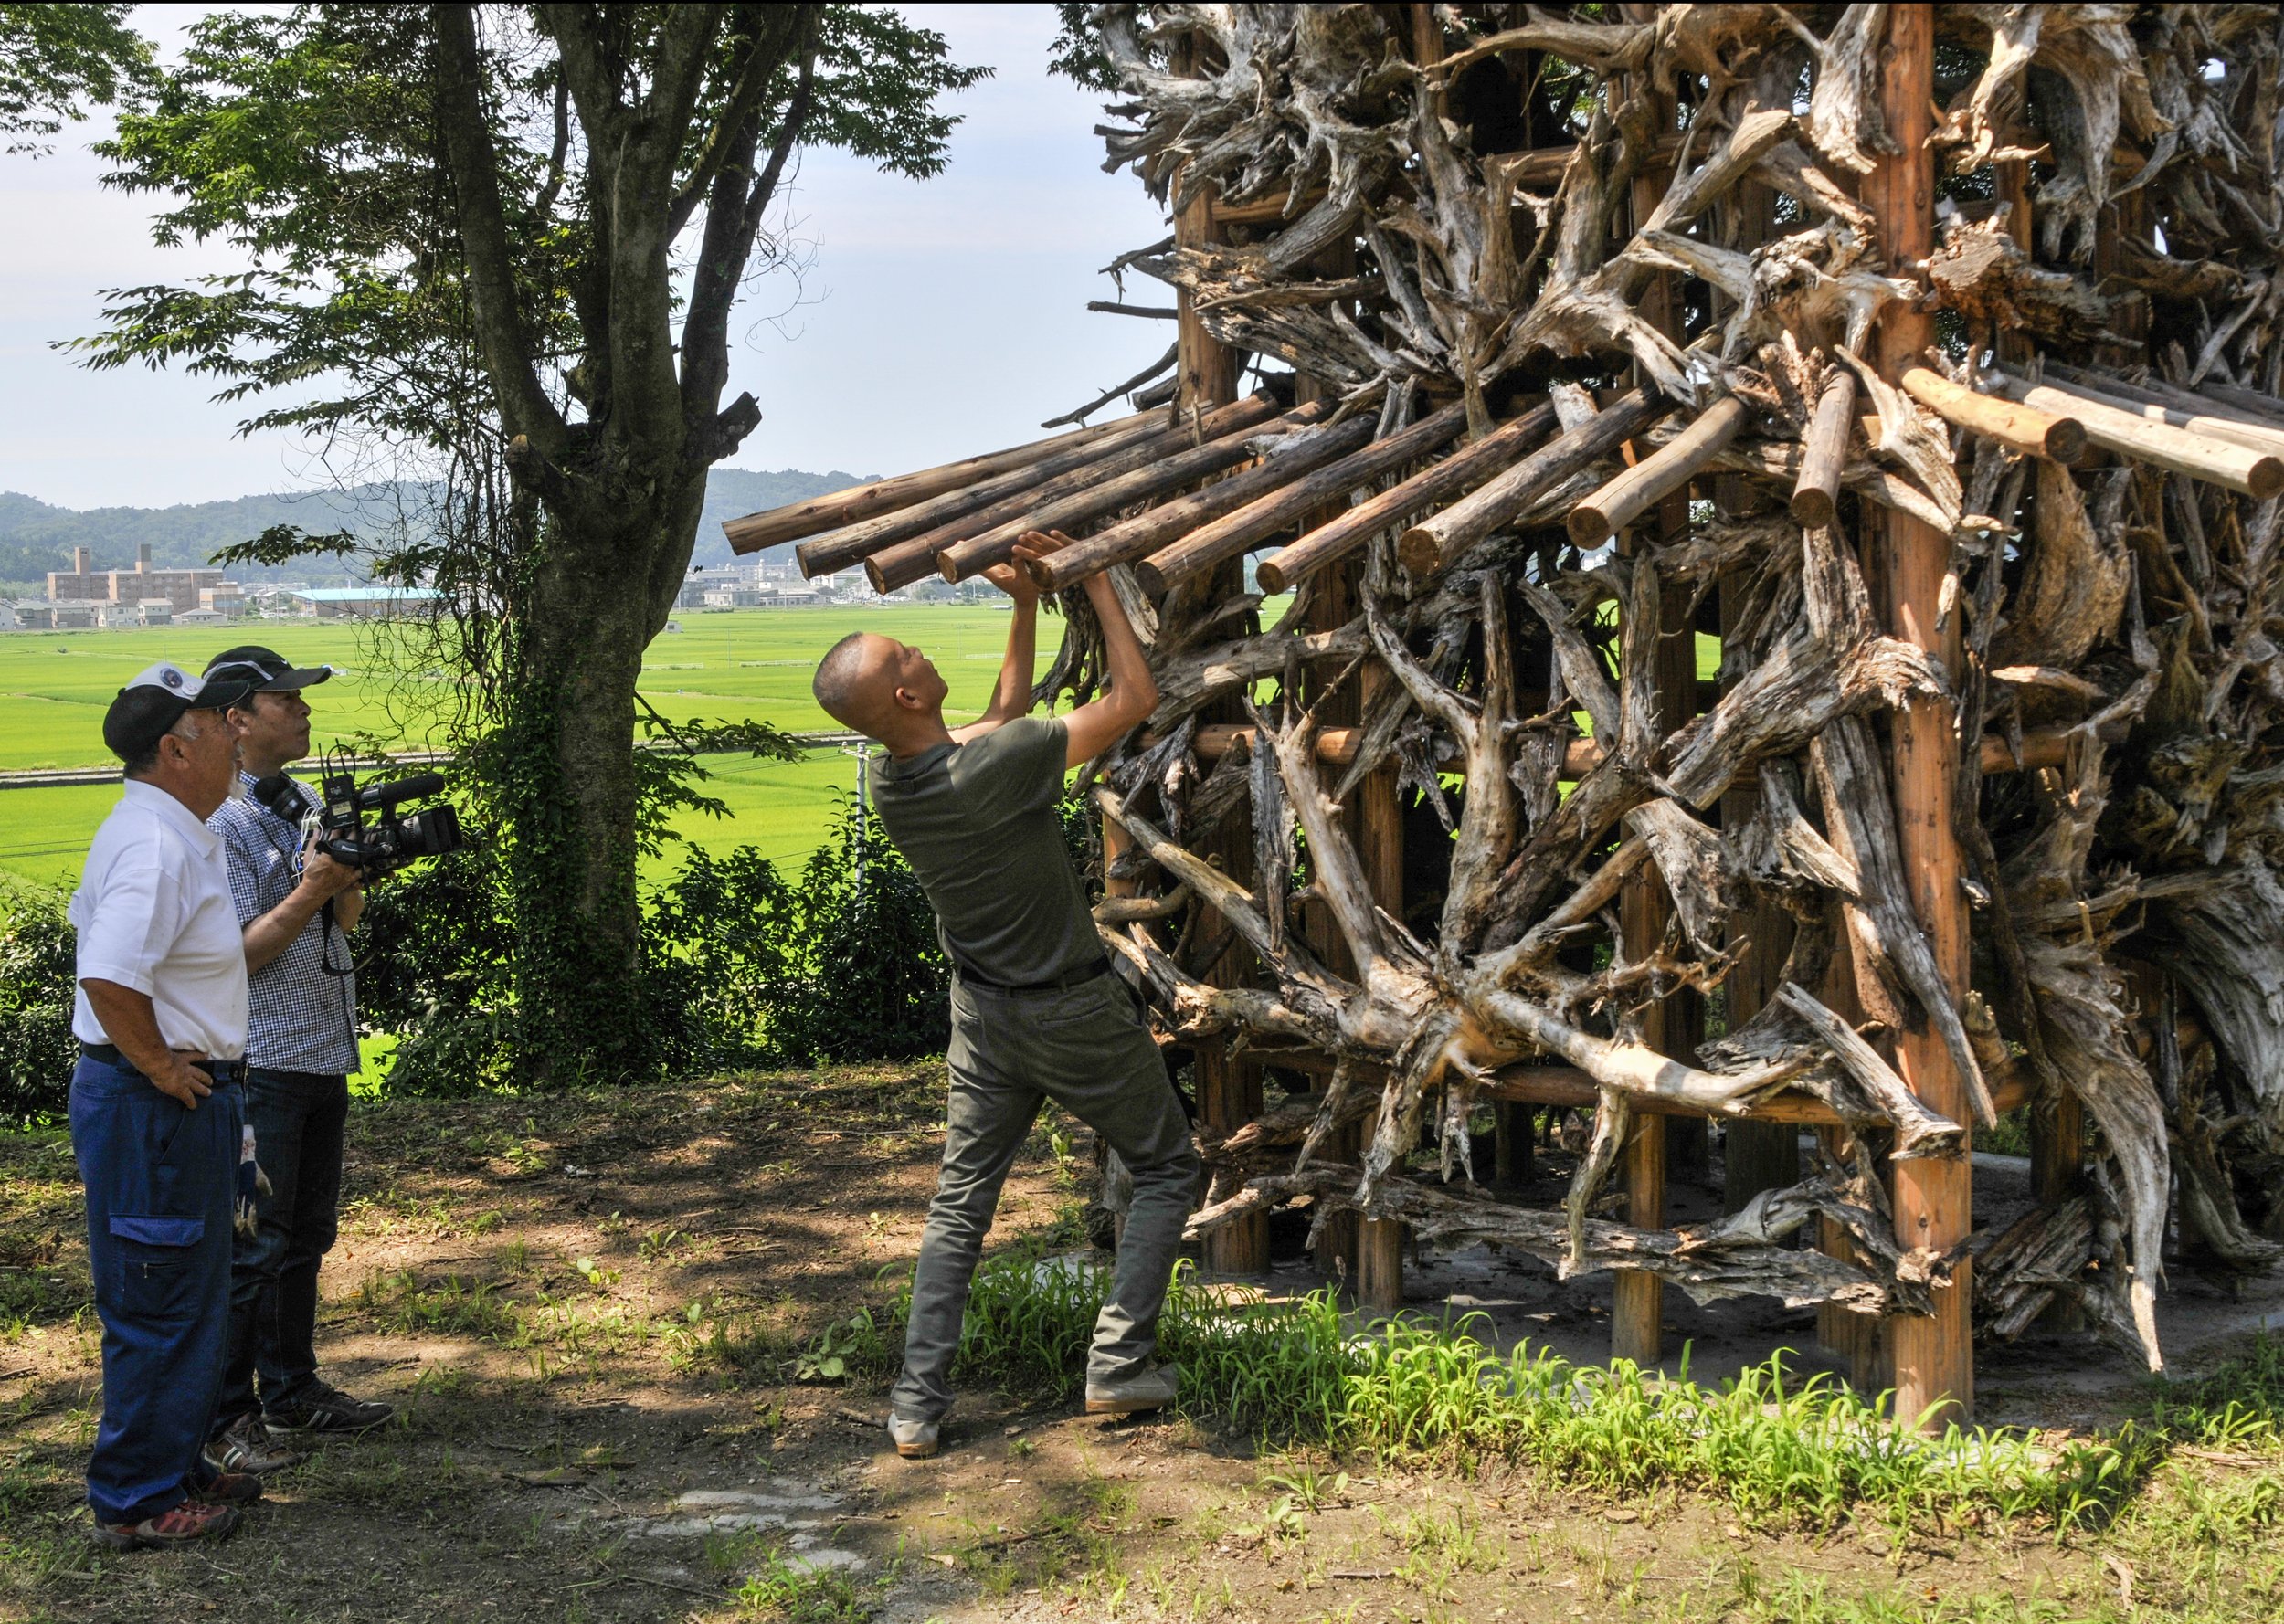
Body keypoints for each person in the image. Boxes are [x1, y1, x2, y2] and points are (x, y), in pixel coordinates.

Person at [809, 531, 1199, 1460]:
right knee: (1170, 1165)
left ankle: (915, 1405)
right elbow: (1135, 700)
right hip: (1070, 1009)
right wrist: (1096, 576)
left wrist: (1025, 604)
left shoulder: (897, 777)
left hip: (982, 1017)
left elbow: (1002, 718)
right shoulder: (996, 763)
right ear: (906, 694)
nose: (920, 648)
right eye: (907, 654)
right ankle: (1117, 1362)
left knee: (959, 1205)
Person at [69, 660, 262, 1549]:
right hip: (154, 1102)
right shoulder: (153, 839)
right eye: (217, 724)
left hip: (177, 1097)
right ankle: (138, 1496)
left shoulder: (176, 826)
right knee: (158, 1293)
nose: (235, 732)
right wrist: (155, 1062)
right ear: (175, 747)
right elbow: (108, 971)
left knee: (191, 1289)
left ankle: (174, 1461)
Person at [198, 647, 393, 1479]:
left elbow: (340, 924)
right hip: (259, 1059)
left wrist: (349, 876)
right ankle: (226, 1417)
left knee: (305, 1233)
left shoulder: (305, 801)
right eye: (287, 700)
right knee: (253, 1241)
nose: (304, 711)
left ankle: (292, 1388)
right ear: (238, 718)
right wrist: (313, 887)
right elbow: (237, 953)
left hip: (321, 1050)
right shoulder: (221, 822)